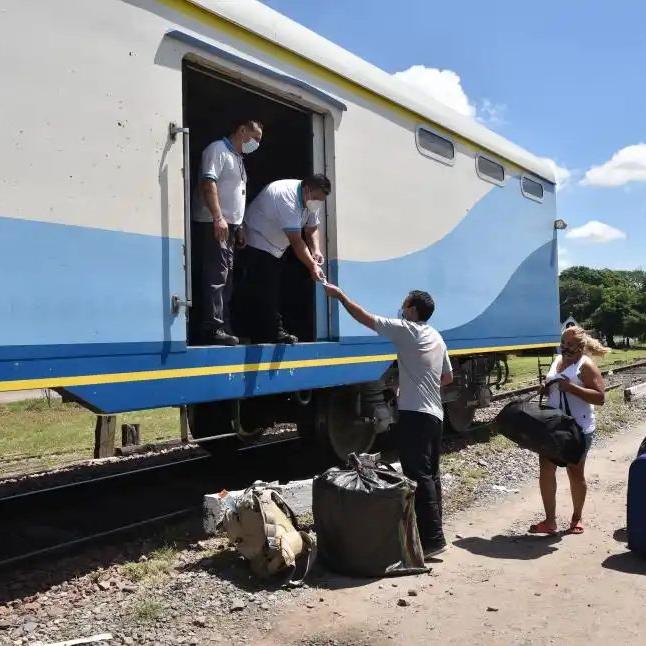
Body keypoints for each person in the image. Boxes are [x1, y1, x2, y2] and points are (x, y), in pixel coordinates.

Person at [321, 283, 453, 558]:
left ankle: (432, 540)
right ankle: (434, 531)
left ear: (413, 310)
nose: (402, 309)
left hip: (415, 415)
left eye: (405, 305)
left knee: (418, 475)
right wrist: (413, 385)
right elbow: (447, 378)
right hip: (435, 415)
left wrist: (340, 296)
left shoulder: (408, 330)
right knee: (431, 475)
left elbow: (365, 318)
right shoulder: (437, 337)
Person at [191, 119, 264, 346]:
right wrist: (218, 217)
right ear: (241, 130)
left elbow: (237, 195)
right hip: (214, 221)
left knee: (227, 277)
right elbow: (208, 184)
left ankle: (224, 326)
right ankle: (212, 328)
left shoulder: (238, 159)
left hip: (230, 225)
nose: (256, 143)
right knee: (217, 274)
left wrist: (239, 226)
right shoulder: (217, 150)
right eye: (255, 137)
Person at [529, 325, 607, 536]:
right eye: (563, 343)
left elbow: (600, 398)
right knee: (546, 469)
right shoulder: (557, 360)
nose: (565, 347)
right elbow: (554, 386)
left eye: (570, 344)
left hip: (578, 428)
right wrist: (547, 389)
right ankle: (550, 521)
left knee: (575, 473)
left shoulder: (586, 366)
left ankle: (576, 517)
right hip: (553, 426)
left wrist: (572, 388)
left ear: (580, 346)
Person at [236, 174, 330, 344]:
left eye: (321, 201)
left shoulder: (310, 201)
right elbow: (296, 239)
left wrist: (316, 250)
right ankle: (272, 332)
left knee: (276, 285)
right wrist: (312, 266)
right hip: (258, 238)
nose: (318, 203)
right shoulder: (287, 198)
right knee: (264, 288)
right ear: (307, 190)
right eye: (316, 199)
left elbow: (311, 229)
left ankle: (269, 329)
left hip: (278, 246)